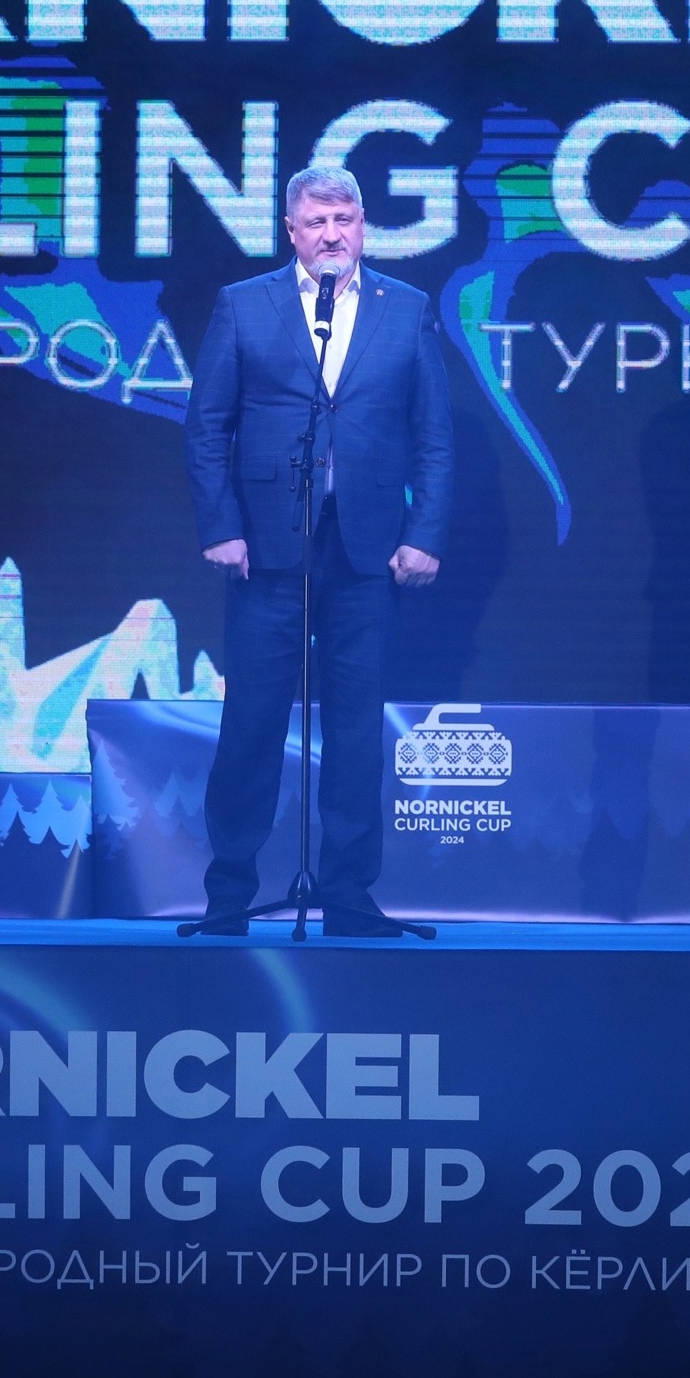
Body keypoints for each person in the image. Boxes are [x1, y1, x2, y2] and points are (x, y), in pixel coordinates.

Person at [182, 166, 453, 937]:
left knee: (357, 728)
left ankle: (348, 897)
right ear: (291, 232)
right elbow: (207, 427)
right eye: (317, 222)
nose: (333, 234)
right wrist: (220, 526)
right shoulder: (244, 304)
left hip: (367, 551)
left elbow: (433, 435)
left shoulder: (406, 308)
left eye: (345, 219)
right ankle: (229, 895)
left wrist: (424, 534)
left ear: (363, 224)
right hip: (268, 547)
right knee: (252, 723)